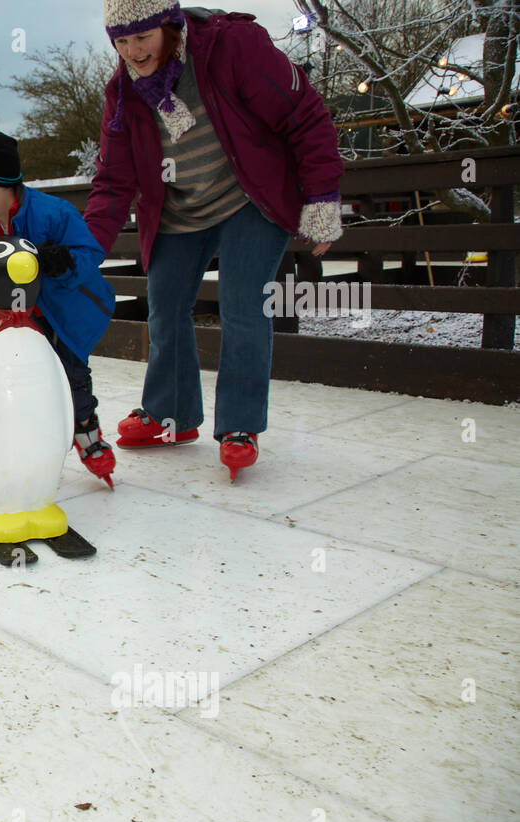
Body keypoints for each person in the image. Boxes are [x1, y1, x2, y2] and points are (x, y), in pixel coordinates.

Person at [84, 1, 343, 480]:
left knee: (242, 303)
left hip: (250, 198)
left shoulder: (231, 48)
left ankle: (240, 426)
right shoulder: (123, 93)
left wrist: (321, 198)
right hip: (180, 211)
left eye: (142, 37)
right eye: (120, 41)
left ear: (168, 25)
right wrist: (84, 252)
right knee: (165, 305)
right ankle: (171, 416)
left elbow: (303, 115)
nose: (132, 51)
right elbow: (113, 182)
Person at [0, 131, 118, 486]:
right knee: (23, 378)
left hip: (67, 315)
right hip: (19, 318)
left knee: (71, 377)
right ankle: (31, 440)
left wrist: (62, 261)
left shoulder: (53, 212)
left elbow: (90, 252)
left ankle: (86, 433)